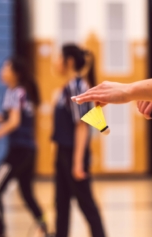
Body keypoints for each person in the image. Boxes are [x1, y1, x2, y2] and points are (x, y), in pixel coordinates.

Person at [0, 57, 49, 237]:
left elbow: (13, 123)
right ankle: (47, 230)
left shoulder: (15, 92)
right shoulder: (23, 92)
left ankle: (0, 233)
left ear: (15, 73)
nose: (2, 71)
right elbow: (10, 119)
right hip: (29, 150)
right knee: (27, 194)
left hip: (18, 152)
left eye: (5, 68)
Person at [51, 44, 106, 237]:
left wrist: (77, 163)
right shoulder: (67, 87)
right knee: (61, 203)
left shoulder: (77, 86)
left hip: (74, 154)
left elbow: (82, 126)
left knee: (86, 204)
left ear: (69, 61)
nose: (55, 62)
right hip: (63, 153)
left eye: (59, 57)